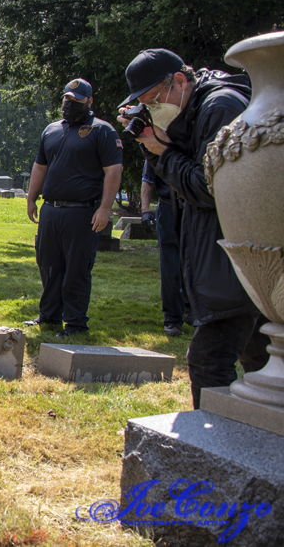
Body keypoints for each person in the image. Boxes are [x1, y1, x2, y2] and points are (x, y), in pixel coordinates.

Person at [118, 48, 269, 408]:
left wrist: (163, 152)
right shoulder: (197, 108)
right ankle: (261, 443)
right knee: (260, 358)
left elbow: (209, 186)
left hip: (239, 258)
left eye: (154, 100)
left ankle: (218, 448)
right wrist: (155, 147)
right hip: (231, 259)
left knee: (208, 361)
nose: (154, 110)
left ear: (181, 81)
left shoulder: (221, 107)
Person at [24, 78, 124, 337]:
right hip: (51, 209)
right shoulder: (51, 129)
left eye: (76, 100)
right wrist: (31, 198)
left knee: (77, 268)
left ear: (89, 101)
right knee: (47, 264)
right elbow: (40, 166)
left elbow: (113, 170)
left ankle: (76, 323)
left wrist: (104, 208)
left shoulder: (102, 131)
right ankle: (49, 317)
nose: (69, 104)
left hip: (82, 212)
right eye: (66, 99)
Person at [141, 161, 185, 336]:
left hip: (197, 207)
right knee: (170, 265)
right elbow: (148, 180)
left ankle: (196, 313)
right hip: (169, 207)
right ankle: (173, 319)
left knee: (199, 262)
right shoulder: (156, 144)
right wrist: (145, 210)